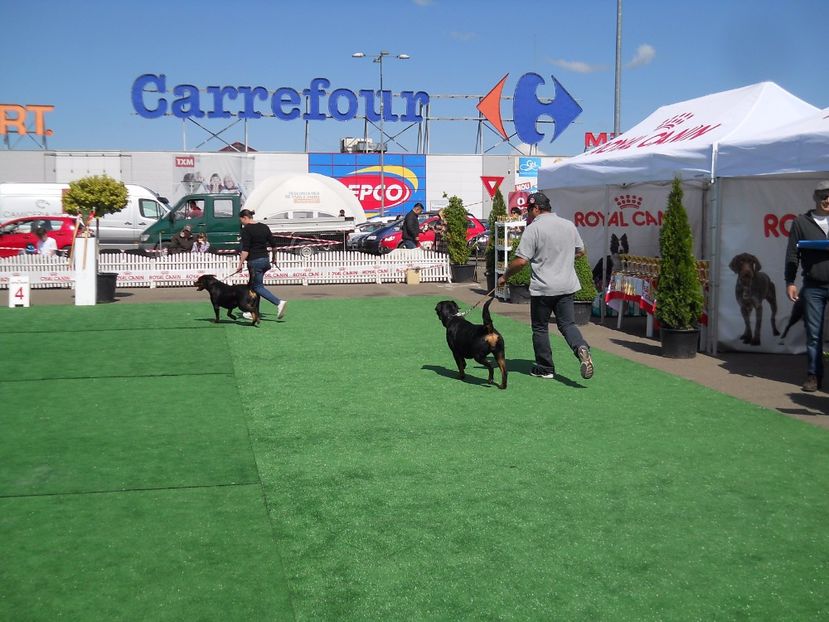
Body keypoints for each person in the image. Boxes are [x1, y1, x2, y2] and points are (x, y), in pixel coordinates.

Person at [497, 192, 594, 381]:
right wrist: (563, 258)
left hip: (543, 288)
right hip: (566, 285)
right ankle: (581, 347)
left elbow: (521, 261)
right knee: (567, 325)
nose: (527, 213)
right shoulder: (568, 225)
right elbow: (581, 251)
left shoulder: (533, 229)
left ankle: (545, 367)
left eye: (528, 210)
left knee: (540, 328)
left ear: (536, 208)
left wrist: (505, 276)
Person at [784, 180, 829, 392]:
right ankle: (814, 375)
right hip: (813, 286)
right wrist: (790, 281)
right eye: (823, 196)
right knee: (814, 333)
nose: (827, 199)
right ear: (815, 198)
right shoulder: (801, 222)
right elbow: (792, 254)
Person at [237, 208, 286, 320]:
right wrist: (274, 258)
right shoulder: (264, 227)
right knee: (254, 287)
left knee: (257, 287)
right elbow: (274, 246)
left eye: (241, 220)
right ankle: (254, 312)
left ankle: (279, 302)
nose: (241, 223)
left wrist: (240, 264)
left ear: (245, 218)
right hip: (265, 260)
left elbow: (245, 250)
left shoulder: (246, 230)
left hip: (255, 262)